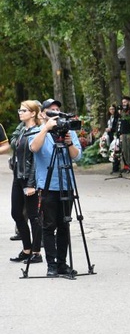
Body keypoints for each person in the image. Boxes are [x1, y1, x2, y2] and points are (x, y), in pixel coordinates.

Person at [29, 98, 83, 277]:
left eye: (58, 110)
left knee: (64, 225)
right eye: (51, 110)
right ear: (43, 114)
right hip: (48, 186)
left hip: (66, 184)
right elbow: (34, 148)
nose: (56, 113)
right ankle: (51, 265)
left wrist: (68, 143)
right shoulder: (38, 131)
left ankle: (62, 264)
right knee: (48, 225)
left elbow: (77, 157)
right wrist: (45, 128)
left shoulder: (68, 132)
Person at [9, 101, 42, 264]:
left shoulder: (37, 132)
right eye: (19, 109)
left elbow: (36, 161)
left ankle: (36, 252)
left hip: (29, 179)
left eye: (24, 110)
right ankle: (26, 249)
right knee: (16, 213)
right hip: (18, 176)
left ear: (33, 113)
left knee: (34, 216)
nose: (20, 112)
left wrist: (32, 184)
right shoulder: (22, 130)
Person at [105, 103, 121, 173]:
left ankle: (116, 167)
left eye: (113, 109)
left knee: (115, 150)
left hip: (115, 134)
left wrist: (111, 129)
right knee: (111, 150)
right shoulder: (109, 117)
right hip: (110, 135)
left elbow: (116, 127)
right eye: (110, 109)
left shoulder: (117, 117)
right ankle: (113, 166)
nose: (111, 110)